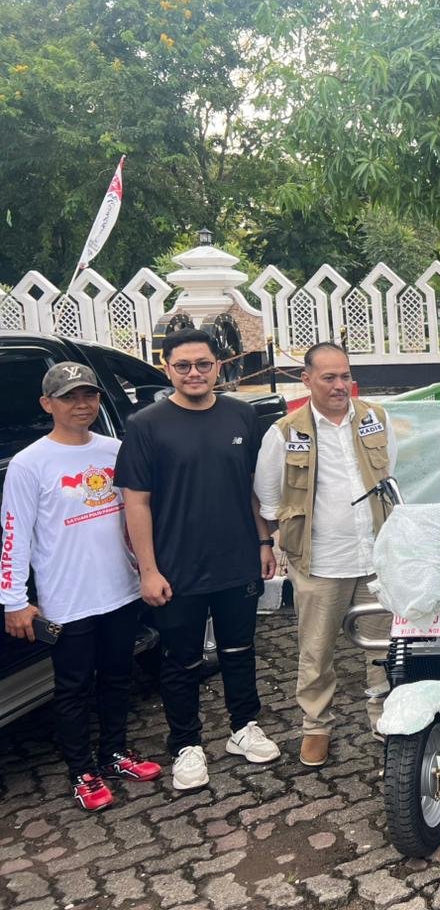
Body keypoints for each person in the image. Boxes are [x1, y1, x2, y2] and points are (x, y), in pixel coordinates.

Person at [117, 329, 281, 792]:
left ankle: (243, 727)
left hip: (236, 559)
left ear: (218, 366)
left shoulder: (241, 415)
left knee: (239, 650)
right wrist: (148, 570)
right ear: (167, 369)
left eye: (203, 364)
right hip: (176, 567)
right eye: (183, 365)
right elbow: (136, 503)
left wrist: (263, 542)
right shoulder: (146, 425)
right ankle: (186, 744)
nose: (194, 373)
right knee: (181, 660)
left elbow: (252, 485)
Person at [1, 363, 161, 810]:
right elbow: (14, 535)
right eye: (69, 397)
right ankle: (81, 771)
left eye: (88, 395)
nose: (81, 404)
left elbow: (139, 513)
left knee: (117, 676)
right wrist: (14, 601)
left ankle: (114, 753)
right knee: (72, 688)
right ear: (46, 404)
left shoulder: (115, 450)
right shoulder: (29, 464)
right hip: (67, 598)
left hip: (119, 589)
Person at [255, 342, 396, 766]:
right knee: (316, 650)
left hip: (376, 556)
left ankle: (384, 715)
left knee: (383, 646)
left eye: (345, 376)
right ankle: (316, 726)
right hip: (319, 561)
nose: (339, 385)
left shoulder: (375, 418)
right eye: (328, 377)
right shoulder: (284, 432)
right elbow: (267, 497)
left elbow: (391, 474)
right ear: (307, 380)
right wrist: (273, 543)